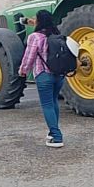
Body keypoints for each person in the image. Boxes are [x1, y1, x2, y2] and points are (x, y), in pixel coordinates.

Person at [19, 10, 65, 148]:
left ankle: (57, 137)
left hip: (43, 74)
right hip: (59, 75)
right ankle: (52, 132)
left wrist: (23, 71)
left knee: (47, 105)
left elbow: (29, 56)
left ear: (39, 21)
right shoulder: (57, 34)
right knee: (54, 102)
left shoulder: (35, 37)